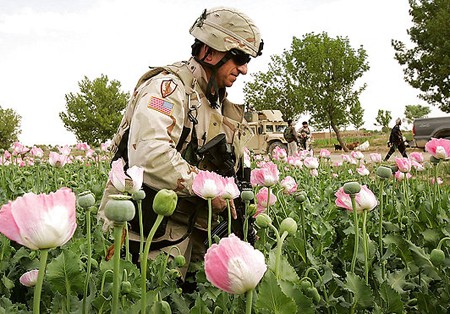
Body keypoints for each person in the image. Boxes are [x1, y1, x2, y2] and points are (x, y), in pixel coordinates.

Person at [98, 7, 263, 269]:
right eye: (239, 57)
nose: (243, 69)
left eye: (248, 61)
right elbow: (149, 154)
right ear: (210, 51)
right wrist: (208, 187)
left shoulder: (217, 104)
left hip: (194, 229)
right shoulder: (168, 89)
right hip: (147, 228)